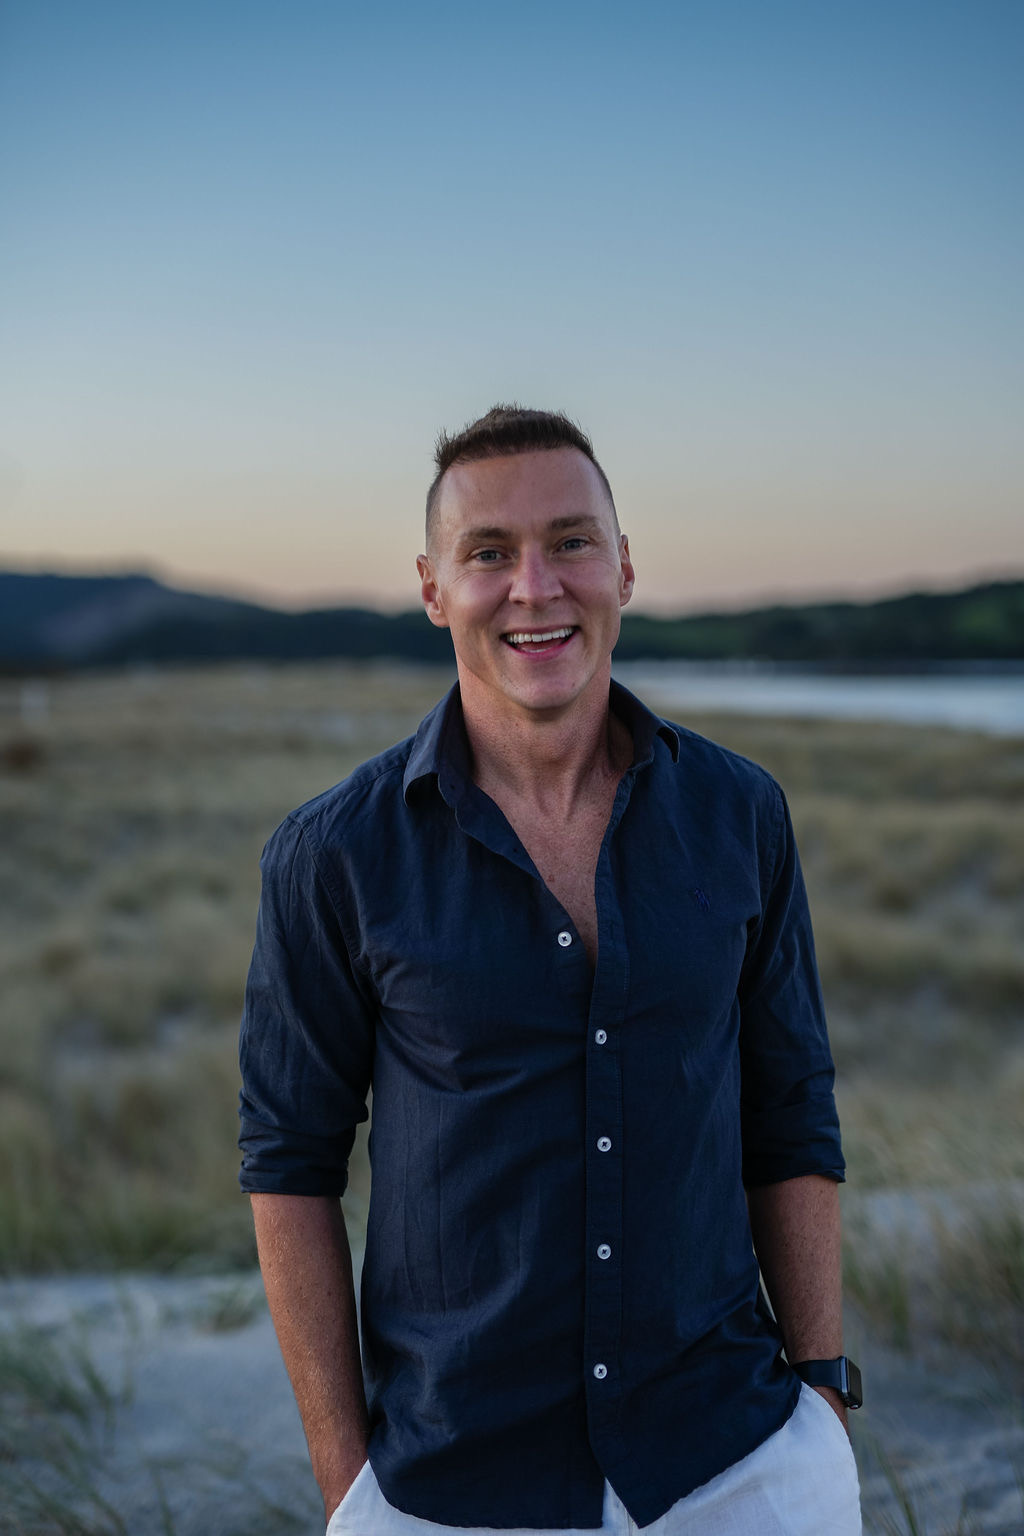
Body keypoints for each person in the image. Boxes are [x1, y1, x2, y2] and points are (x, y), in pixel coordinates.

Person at [238, 404, 863, 1535]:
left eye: (571, 541)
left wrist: (821, 1395)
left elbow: (791, 1109)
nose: (536, 587)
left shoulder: (740, 814)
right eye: (488, 553)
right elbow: (289, 1165)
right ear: (434, 589)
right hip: (454, 1483)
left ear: (622, 565)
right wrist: (347, 1486)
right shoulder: (333, 855)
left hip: (738, 1459)